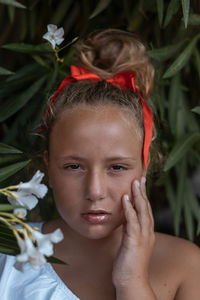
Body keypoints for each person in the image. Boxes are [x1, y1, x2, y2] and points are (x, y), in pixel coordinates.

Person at [1, 29, 200, 300]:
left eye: (117, 167)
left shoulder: (186, 266)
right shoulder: (8, 253)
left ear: (146, 165)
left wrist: (132, 281)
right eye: (73, 167)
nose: (95, 191)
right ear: (47, 167)